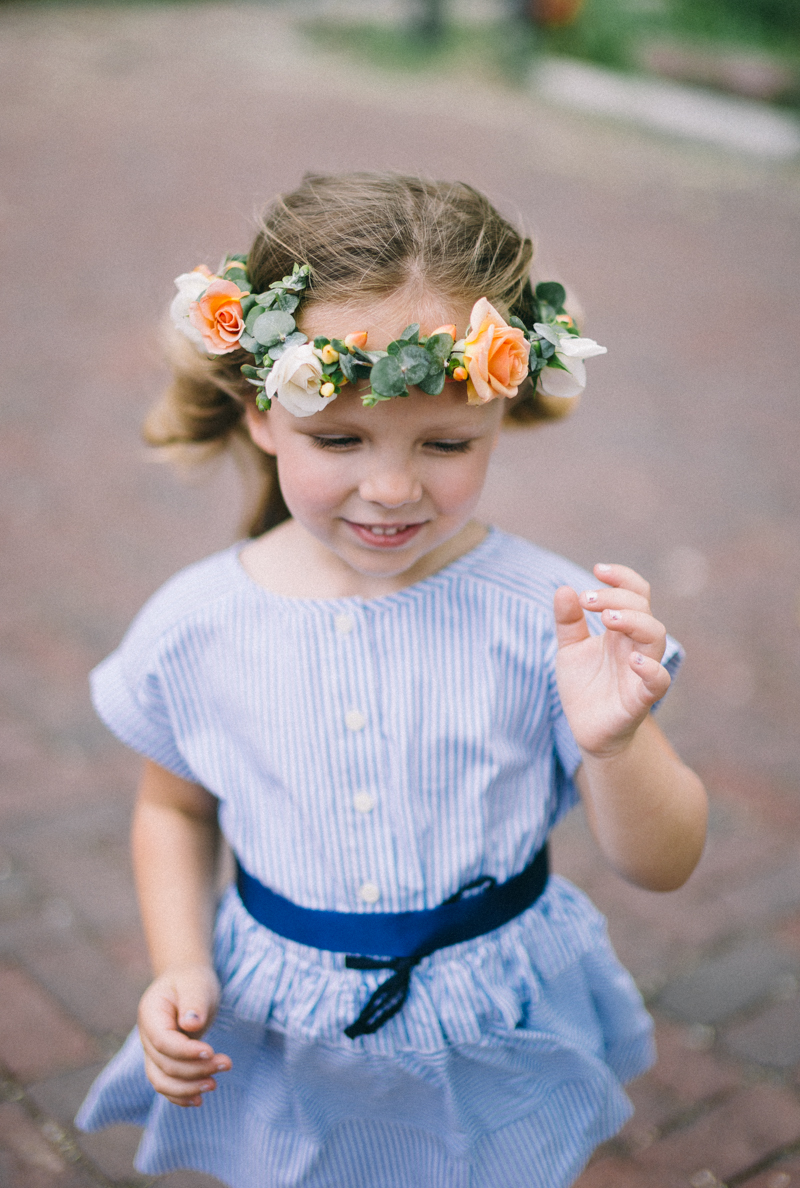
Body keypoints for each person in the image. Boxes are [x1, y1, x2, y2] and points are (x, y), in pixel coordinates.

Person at [76, 172, 707, 1188]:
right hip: (282, 1028)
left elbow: (664, 862)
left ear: (501, 407)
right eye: (338, 439)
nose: (390, 487)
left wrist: (615, 746)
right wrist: (180, 962)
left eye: (445, 443)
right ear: (258, 412)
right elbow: (174, 811)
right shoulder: (196, 625)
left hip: (490, 1020)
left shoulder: (548, 618)